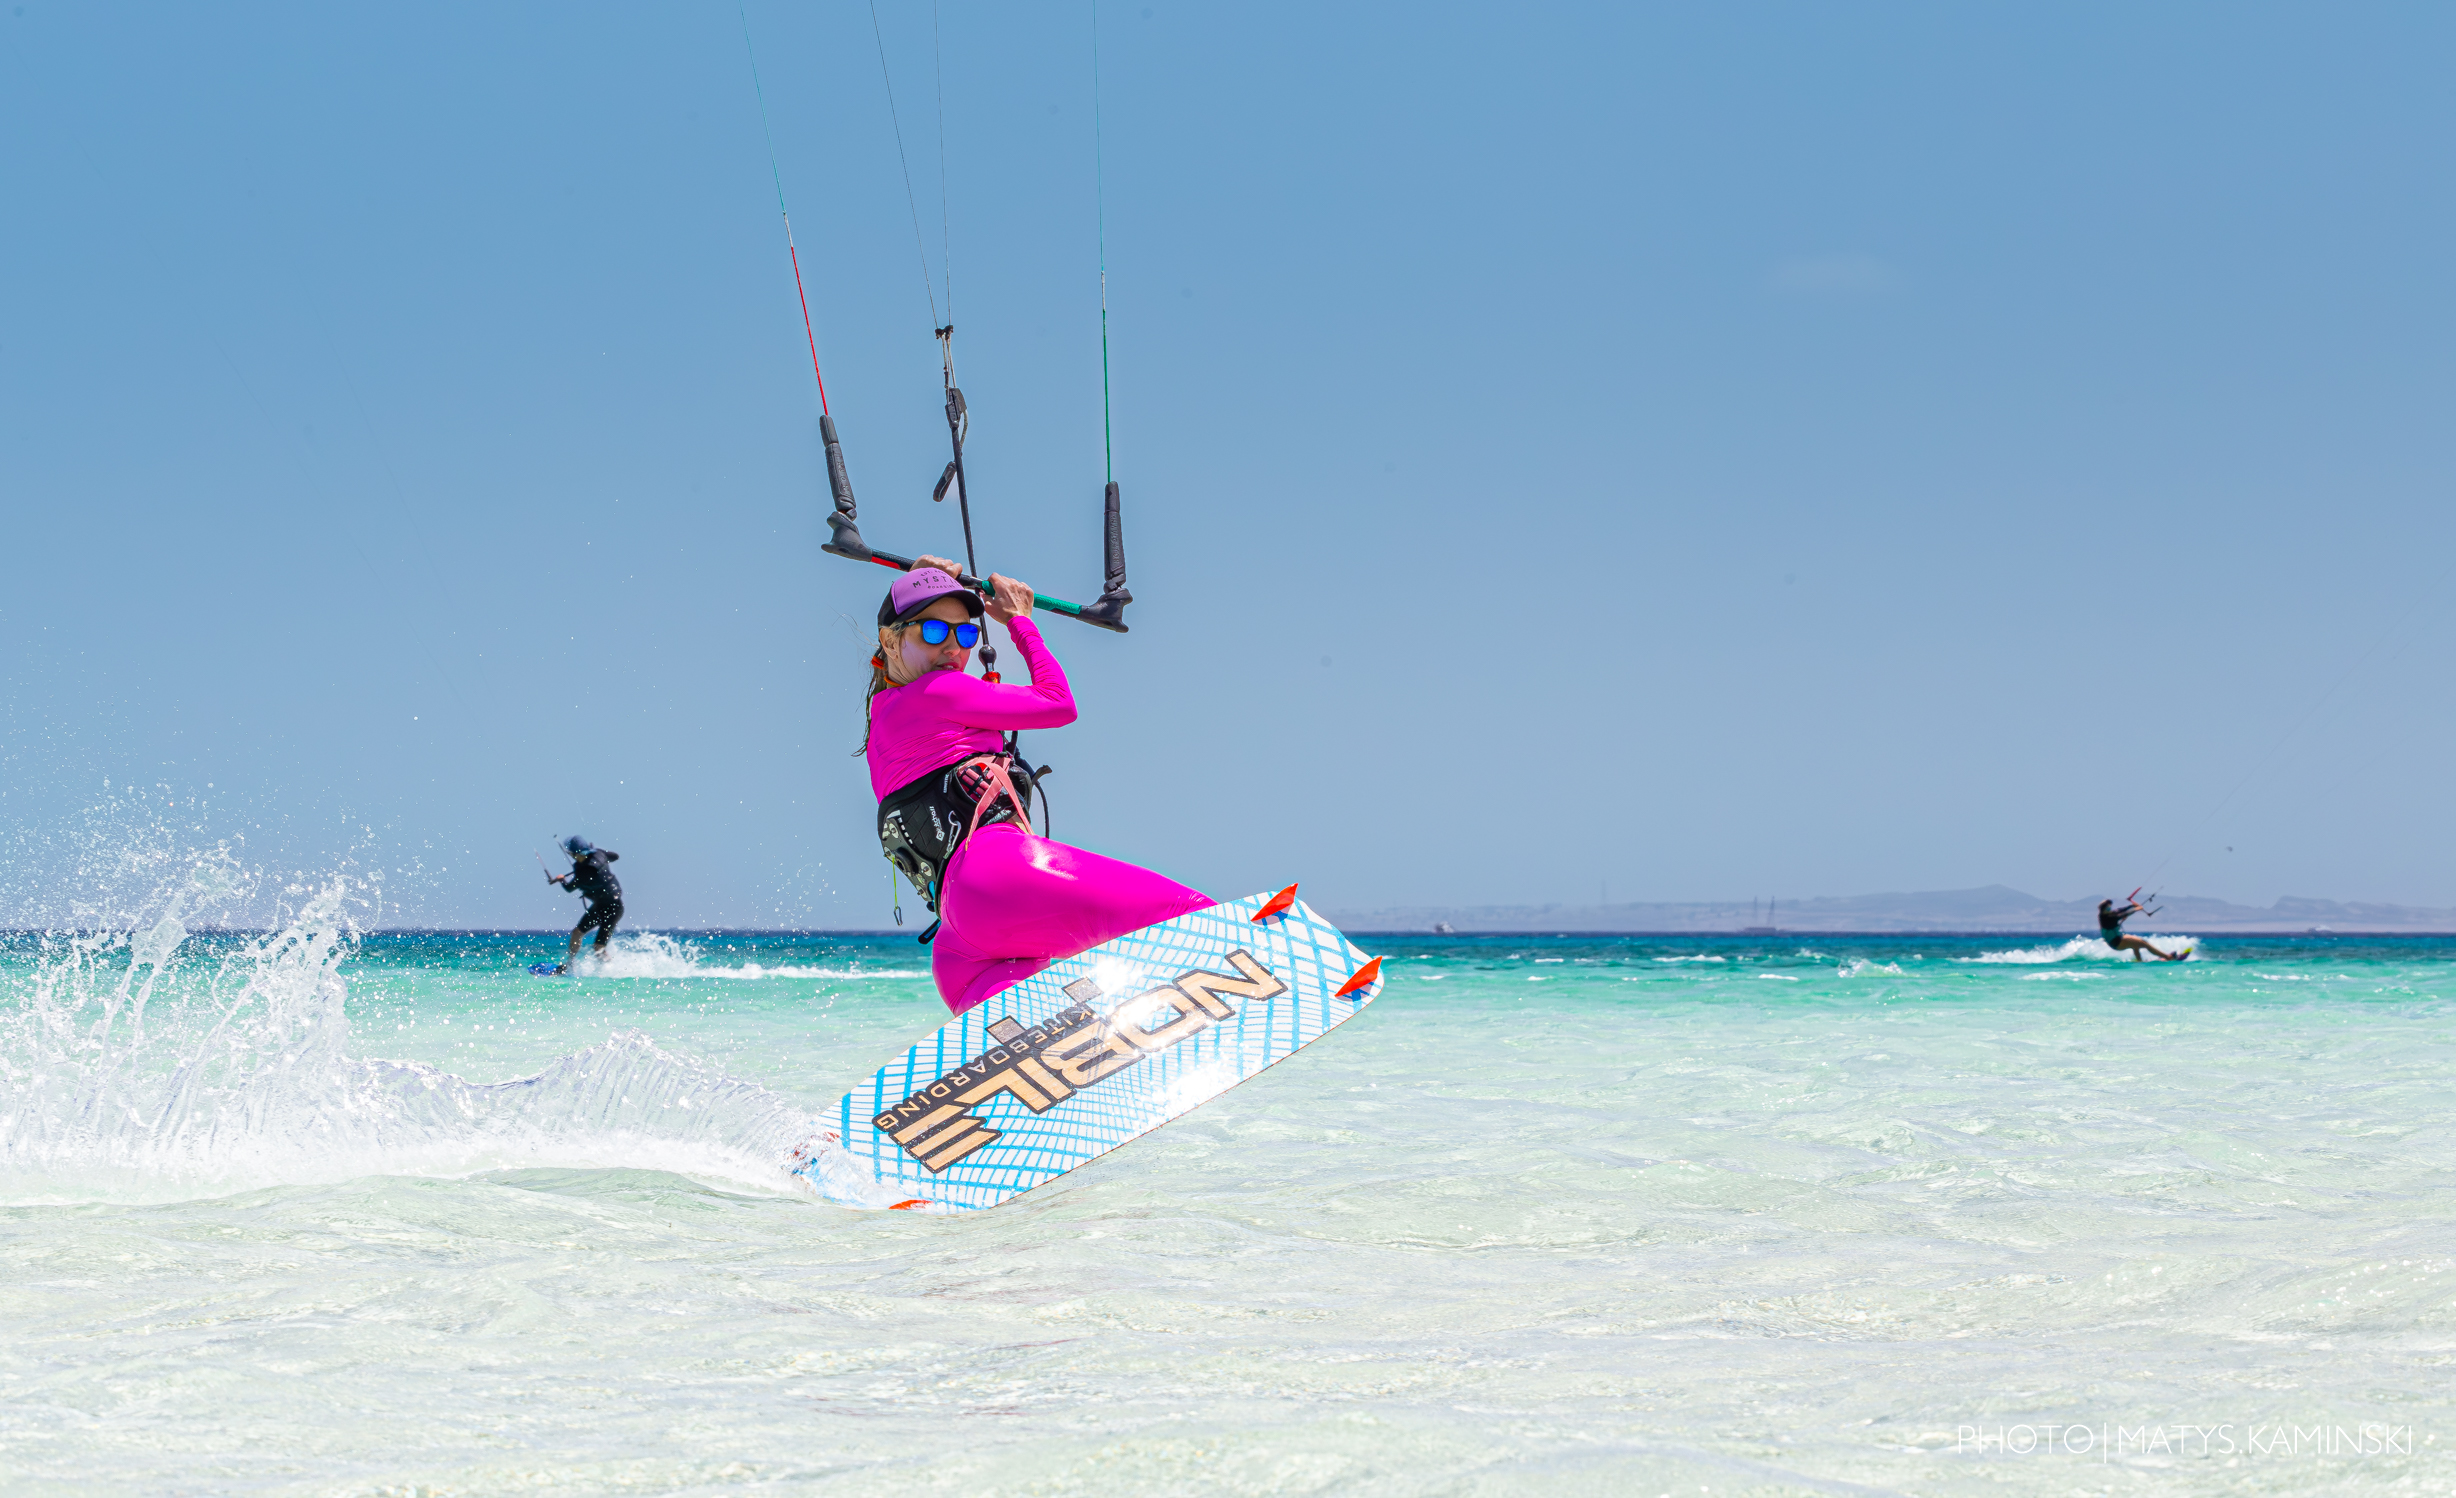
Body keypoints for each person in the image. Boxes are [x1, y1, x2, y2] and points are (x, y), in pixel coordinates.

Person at [863, 557, 1212, 1014]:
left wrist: (918, 581)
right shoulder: (941, 692)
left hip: (960, 947)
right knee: (1199, 922)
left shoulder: (882, 717)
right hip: (999, 879)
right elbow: (1058, 702)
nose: (952, 647)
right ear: (890, 640)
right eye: (933, 631)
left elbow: (895, 667)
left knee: (1058, 1036)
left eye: (965, 633)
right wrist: (1020, 622)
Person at [547, 835, 623, 973]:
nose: (572, 856)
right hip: (599, 906)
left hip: (614, 909)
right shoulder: (599, 854)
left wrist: (561, 879)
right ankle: (570, 965)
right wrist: (600, 854)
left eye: (572, 854)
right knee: (577, 933)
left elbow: (569, 888)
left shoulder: (584, 873)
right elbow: (615, 856)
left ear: (575, 854)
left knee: (598, 947)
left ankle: (612, 970)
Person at [2097, 897, 2181, 961]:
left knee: (2135, 945)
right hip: (2117, 942)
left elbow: (2119, 910)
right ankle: (2168, 957)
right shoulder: (2107, 918)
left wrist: (2131, 905)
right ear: (2103, 910)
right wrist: (2136, 909)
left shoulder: (2105, 914)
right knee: (2144, 943)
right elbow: (2122, 915)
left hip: (2116, 940)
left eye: (2110, 908)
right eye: (2108, 908)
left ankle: (2139, 961)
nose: (2110, 910)